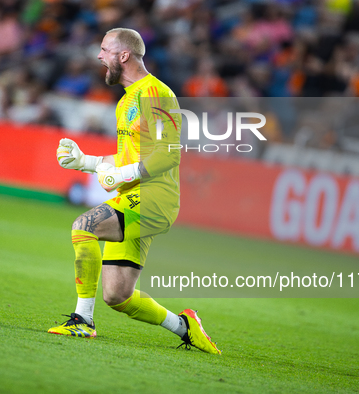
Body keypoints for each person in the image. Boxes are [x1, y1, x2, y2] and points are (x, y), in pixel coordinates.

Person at [48, 28, 221, 355]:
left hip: (154, 200)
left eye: (104, 49)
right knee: (118, 296)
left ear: (123, 55)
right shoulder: (127, 100)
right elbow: (131, 158)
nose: (99, 56)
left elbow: (169, 153)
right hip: (131, 197)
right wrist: (86, 161)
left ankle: (82, 321)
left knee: (83, 228)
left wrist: (124, 173)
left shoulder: (155, 93)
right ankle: (184, 326)